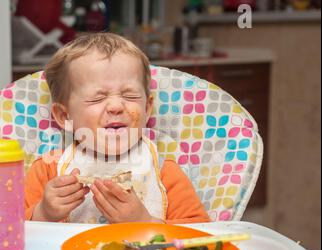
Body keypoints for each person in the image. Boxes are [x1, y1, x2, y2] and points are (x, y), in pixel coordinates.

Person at [24, 33, 210, 224]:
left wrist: (144, 221)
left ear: (147, 109)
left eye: (129, 96)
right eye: (97, 98)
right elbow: (11, 233)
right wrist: (44, 213)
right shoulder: (48, 170)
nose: (116, 106)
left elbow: (202, 233)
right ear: (65, 116)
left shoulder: (164, 172)